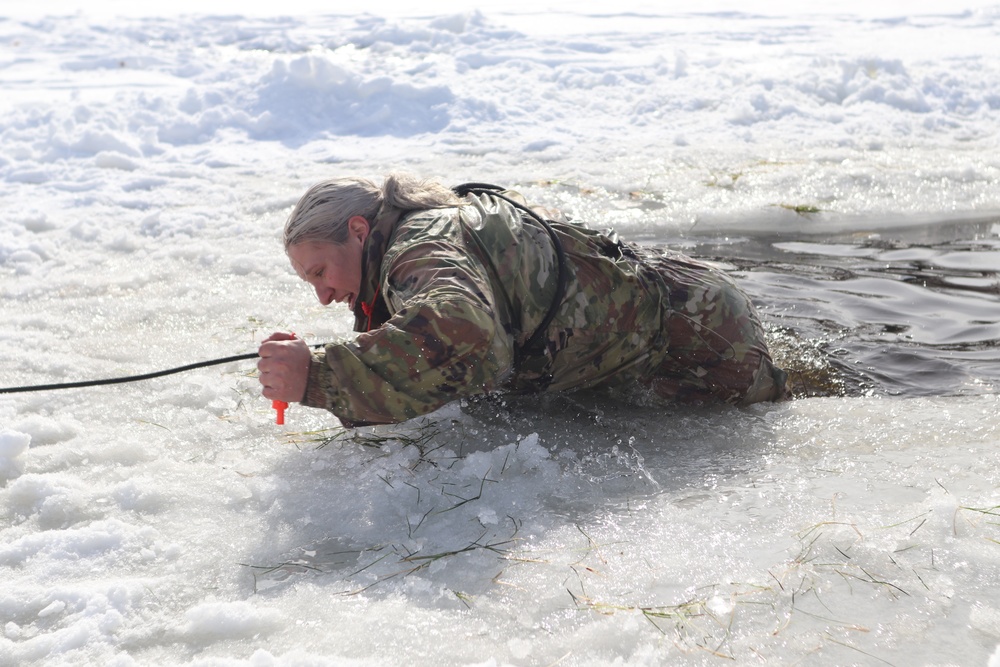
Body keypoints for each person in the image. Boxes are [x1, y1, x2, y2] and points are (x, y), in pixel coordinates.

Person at [257, 174, 787, 427]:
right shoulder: (415, 243)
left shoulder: (416, 248)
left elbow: (463, 332)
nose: (324, 296)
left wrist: (320, 376)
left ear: (357, 230)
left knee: (785, 414)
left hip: (700, 335)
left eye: (321, 272)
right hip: (680, 312)